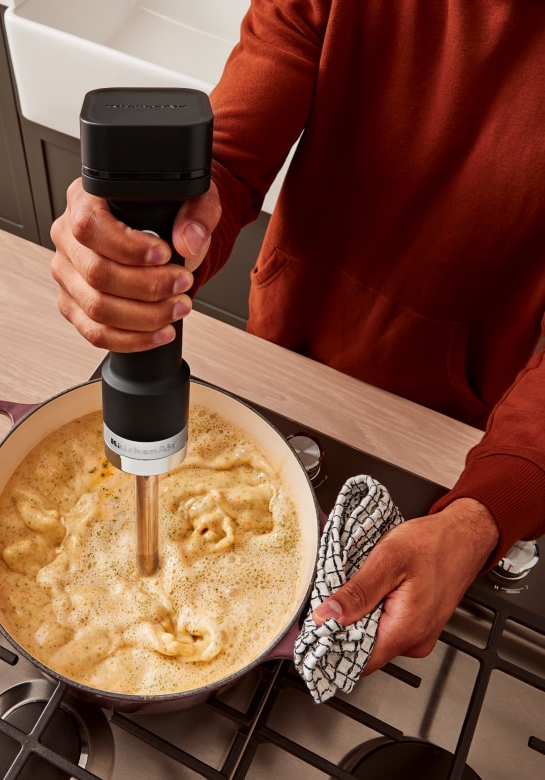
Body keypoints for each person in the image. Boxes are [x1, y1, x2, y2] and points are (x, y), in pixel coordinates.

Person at [50, 0, 545, 677]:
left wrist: (481, 516)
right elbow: (228, 157)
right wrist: (150, 233)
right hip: (290, 354)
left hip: (464, 432)